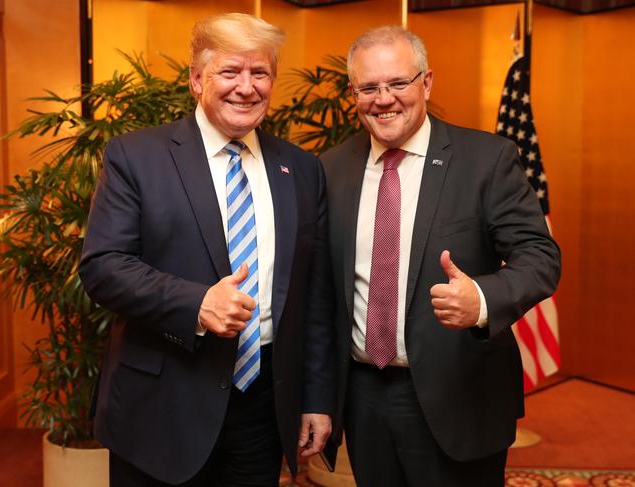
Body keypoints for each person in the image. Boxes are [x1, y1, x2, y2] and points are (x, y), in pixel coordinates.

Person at [79, 13, 334, 487]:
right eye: (230, 72)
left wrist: (315, 398)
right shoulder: (136, 157)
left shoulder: (301, 169)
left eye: (259, 73)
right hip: (161, 406)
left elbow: (313, 295)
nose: (246, 87)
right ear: (197, 79)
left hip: (262, 407)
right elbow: (103, 268)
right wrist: (196, 303)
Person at [321, 26, 561, 487]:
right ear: (354, 93)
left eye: (398, 83)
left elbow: (540, 255)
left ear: (426, 83)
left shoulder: (485, 160)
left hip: (460, 391)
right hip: (363, 395)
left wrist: (483, 299)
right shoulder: (331, 168)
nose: (383, 98)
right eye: (368, 87)